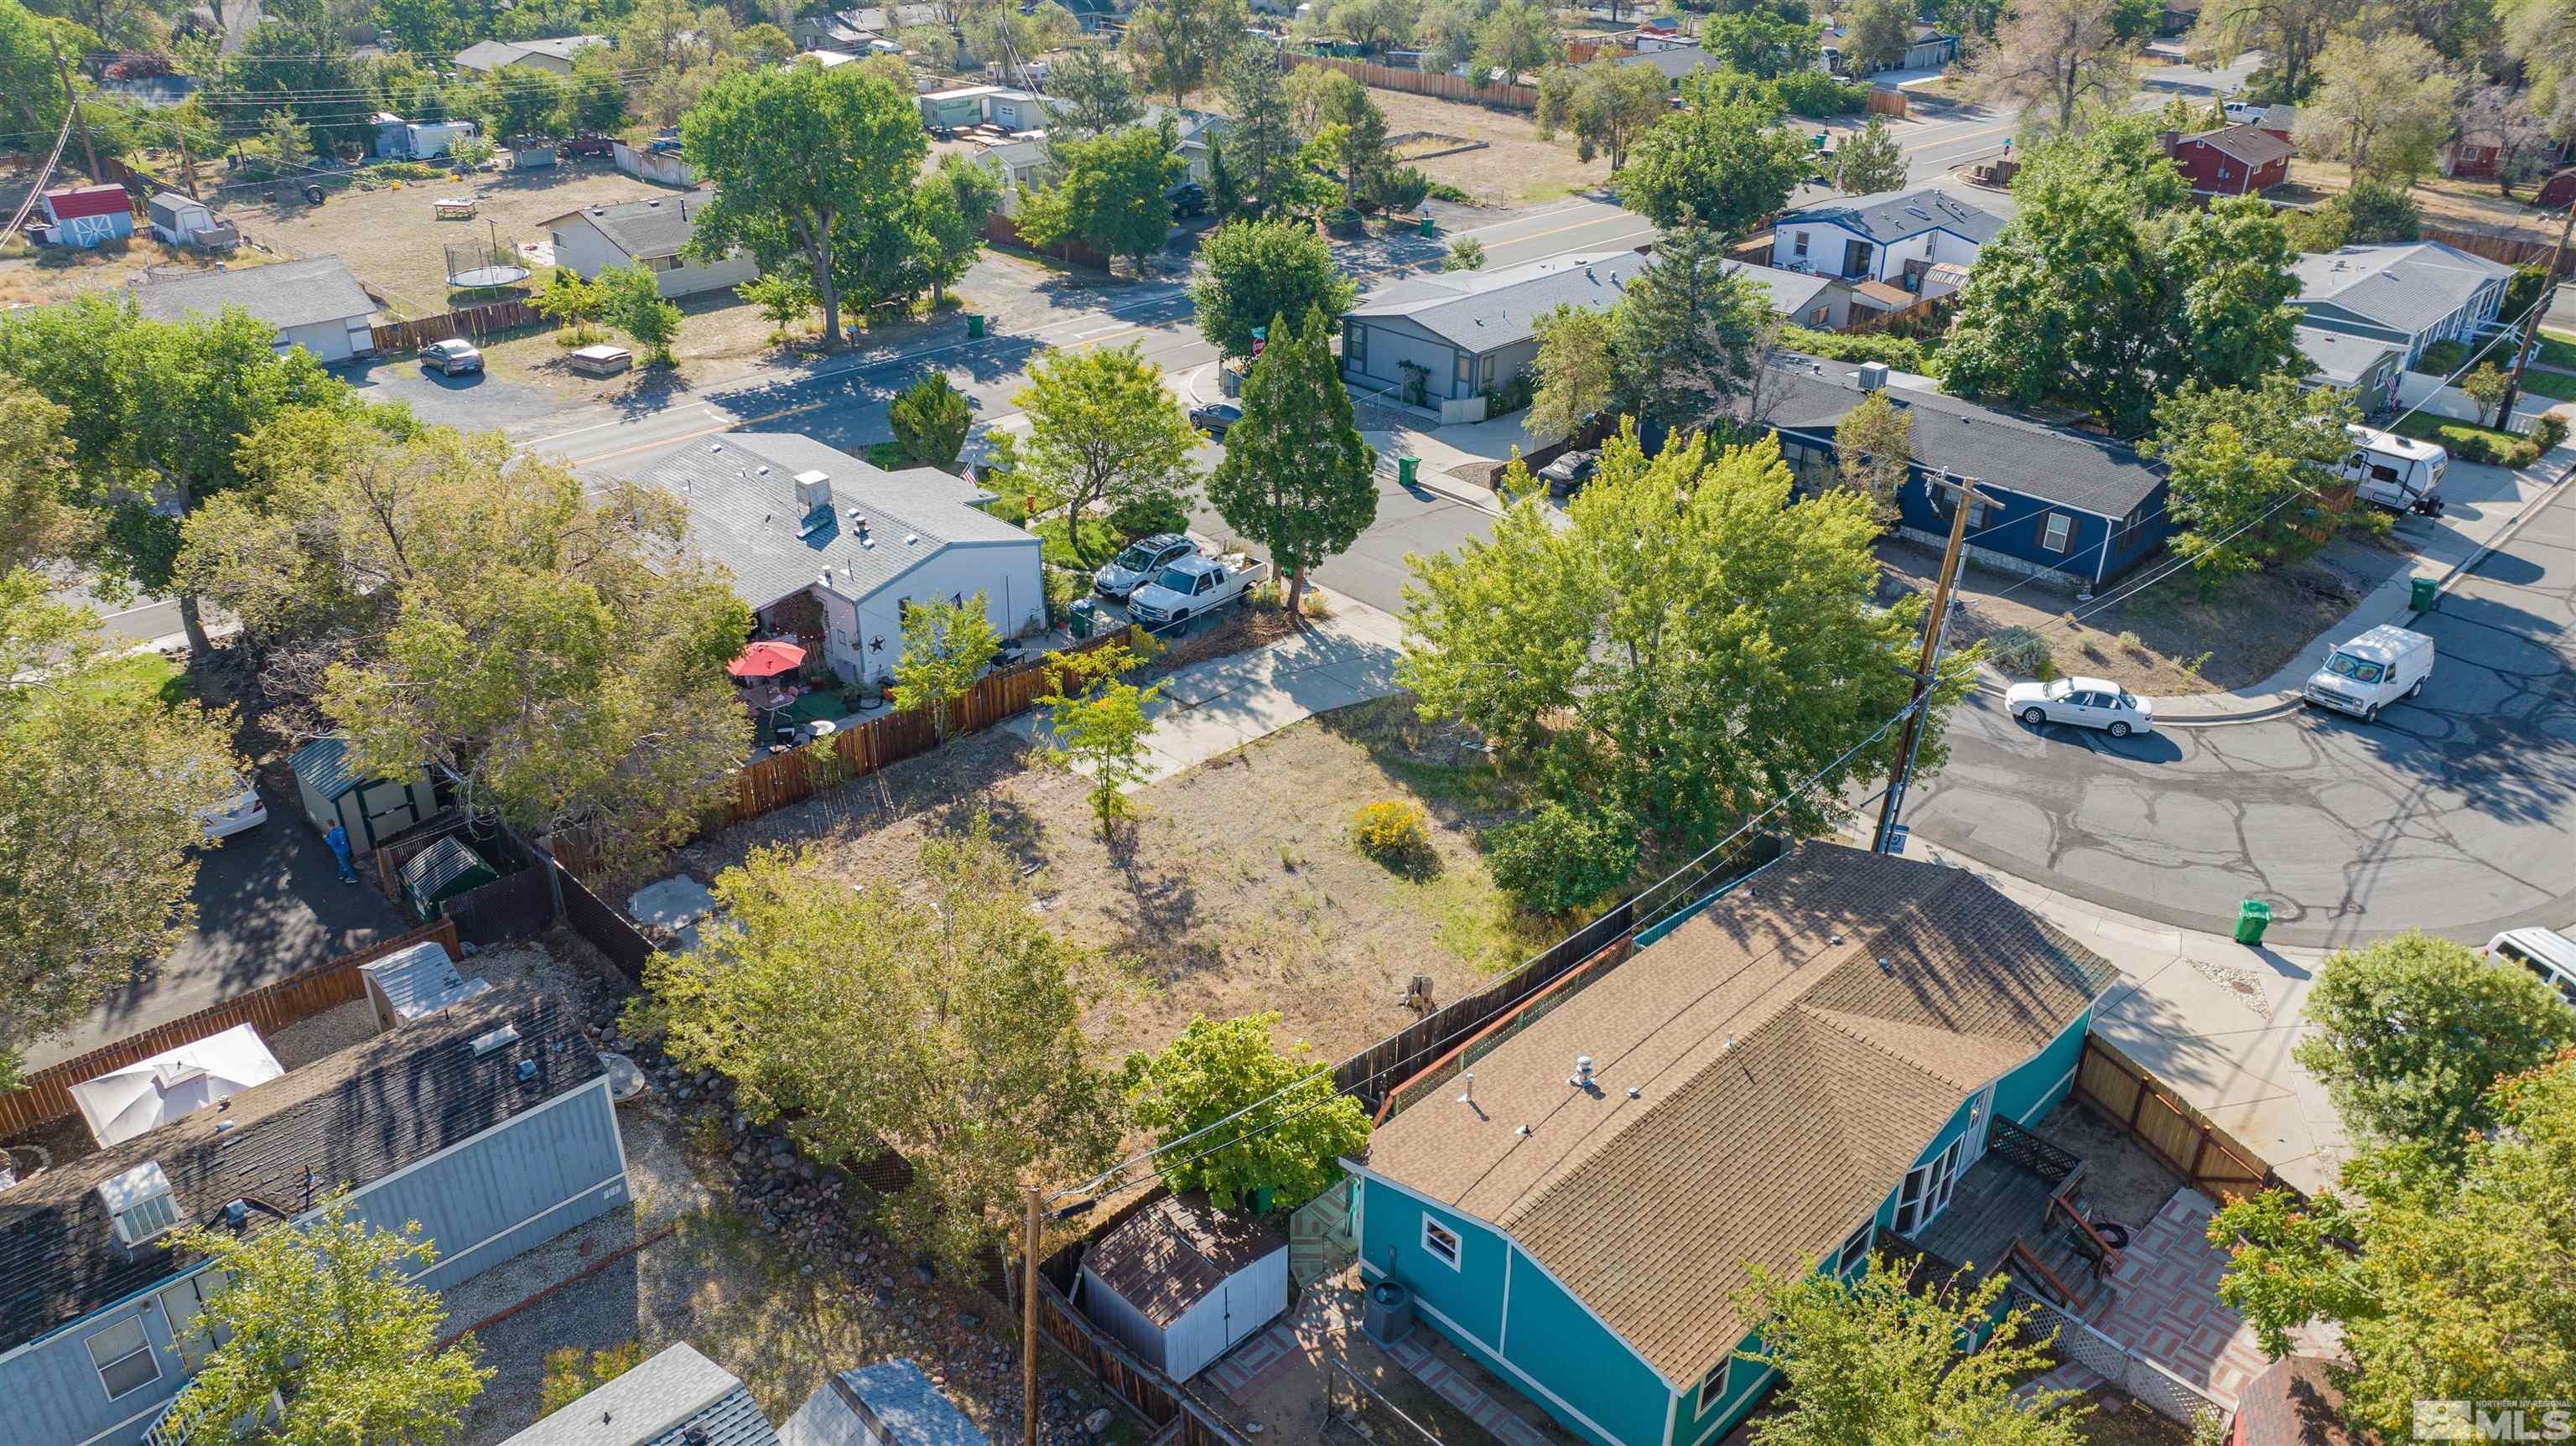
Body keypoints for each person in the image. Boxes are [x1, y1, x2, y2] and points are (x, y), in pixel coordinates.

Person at [323, 818, 357, 884]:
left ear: (329, 826)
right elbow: (342, 836)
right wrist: (329, 834)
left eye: (327, 826)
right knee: (342, 862)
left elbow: (333, 844)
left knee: (346, 865)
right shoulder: (341, 829)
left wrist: (326, 839)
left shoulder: (333, 834)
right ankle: (341, 875)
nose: (327, 827)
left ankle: (353, 878)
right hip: (346, 849)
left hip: (340, 852)